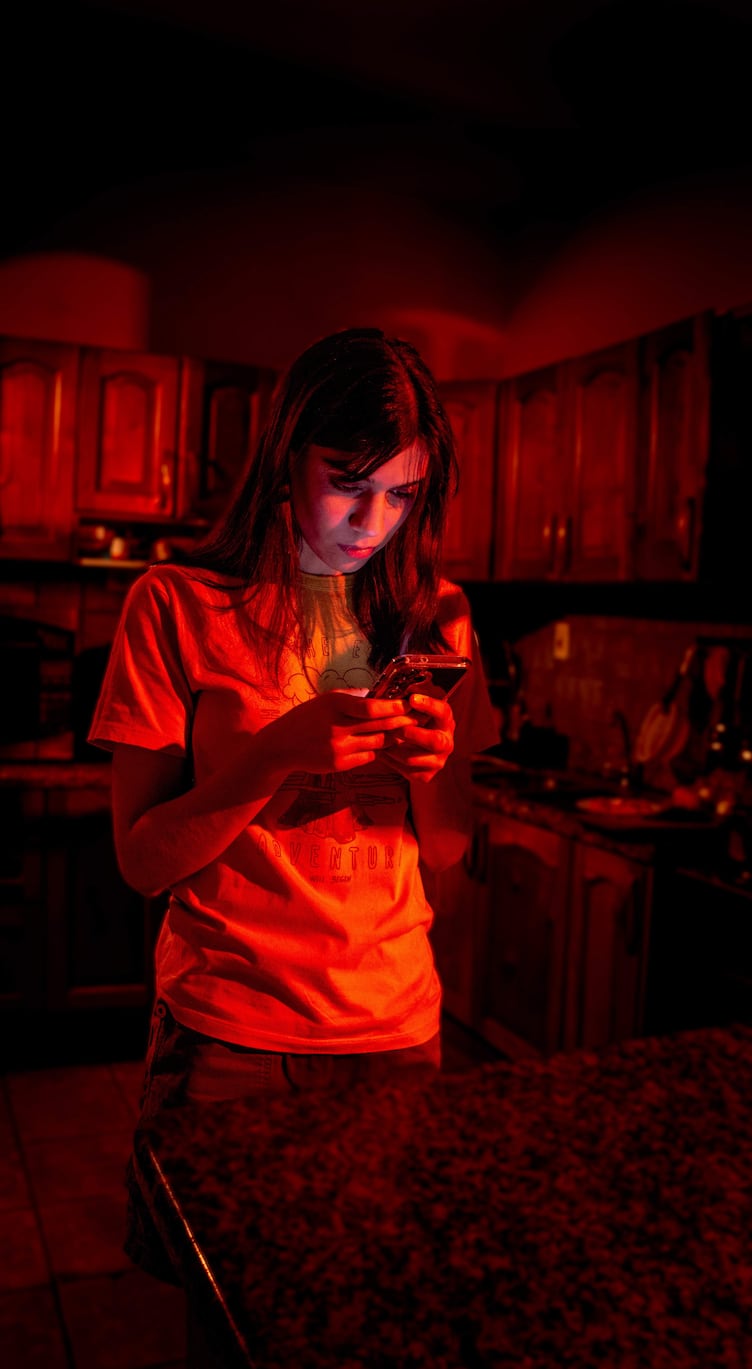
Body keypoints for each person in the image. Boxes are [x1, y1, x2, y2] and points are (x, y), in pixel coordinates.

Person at [88, 326, 499, 1280]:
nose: (372, 521)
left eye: (401, 494)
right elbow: (142, 860)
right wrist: (272, 755)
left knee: (367, 1303)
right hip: (233, 1035)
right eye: (347, 481)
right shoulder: (177, 604)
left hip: (396, 1030)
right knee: (232, 1304)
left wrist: (435, 772)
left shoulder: (438, 613)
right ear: (286, 458)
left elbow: (444, 850)